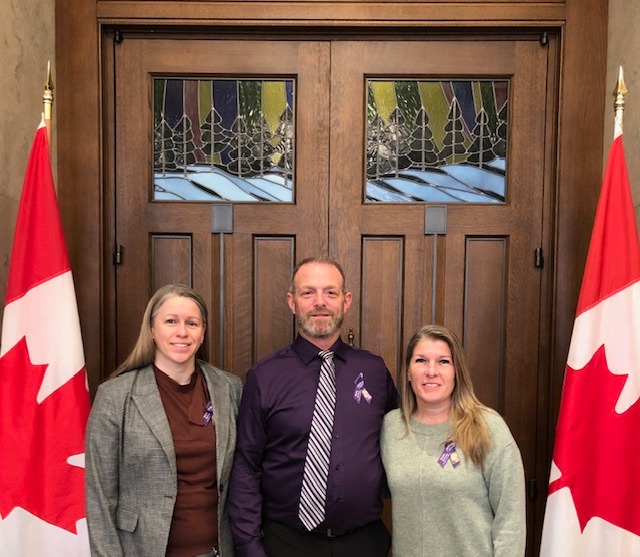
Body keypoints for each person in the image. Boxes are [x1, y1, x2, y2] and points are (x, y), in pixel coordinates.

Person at [227, 257, 398, 557]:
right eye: (308, 293)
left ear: (346, 301)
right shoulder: (264, 376)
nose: (320, 302)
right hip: (285, 543)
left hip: (364, 542)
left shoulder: (373, 370)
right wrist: (249, 546)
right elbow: (246, 466)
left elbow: (398, 440)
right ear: (292, 302)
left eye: (330, 292)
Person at [85, 283, 242, 557]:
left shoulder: (229, 388)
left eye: (192, 323)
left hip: (218, 550)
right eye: (170, 321)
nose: (182, 332)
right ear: (151, 329)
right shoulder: (116, 396)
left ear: (203, 332)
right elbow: (99, 496)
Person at [381, 324, 526, 557]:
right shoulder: (391, 428)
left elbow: (510, 521)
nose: (431, 371)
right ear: (408, 372)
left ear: (457, 372)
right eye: (421, 360)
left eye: (443, 362)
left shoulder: (487, 427)